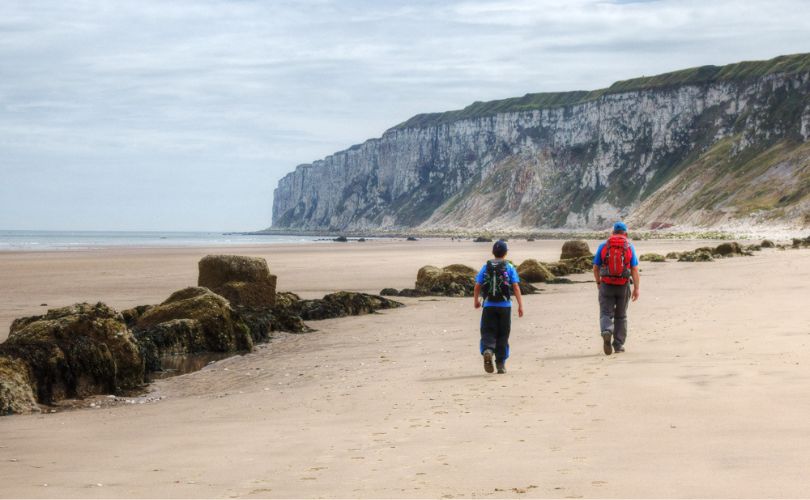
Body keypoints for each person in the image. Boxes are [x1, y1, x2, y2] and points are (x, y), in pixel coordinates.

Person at [473, 240, 524, 374]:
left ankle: (488, 350)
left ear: (493, 253)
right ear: (506, 253)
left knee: (488, 331)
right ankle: (501, 363)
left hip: (489, 305)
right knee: (503, 334)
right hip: (505, 306)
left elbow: (477, 285)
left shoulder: (486, 267)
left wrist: (476, 301)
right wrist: (520, 305)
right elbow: (516, 287)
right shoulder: (509, 267)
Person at [592, 222, 640, 355]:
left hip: (606, 285)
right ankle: (618, 345)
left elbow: (595, 268)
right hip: (623, 285)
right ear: (625, 233)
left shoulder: (604, 246)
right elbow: (634, 269)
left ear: (613, 232)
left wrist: (598, 283)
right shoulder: (629, 247)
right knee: (621, 316)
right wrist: (636, 288)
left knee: (605, 313)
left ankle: (606, 331)